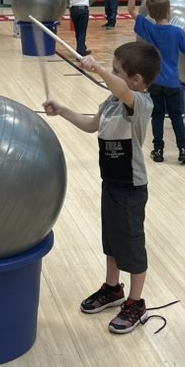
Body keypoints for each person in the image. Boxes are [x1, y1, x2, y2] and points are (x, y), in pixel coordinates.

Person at [43, 42, 161, 334]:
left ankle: (136, 302)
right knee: (112, 241)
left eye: (116, 71)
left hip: (131, 188)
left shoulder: (140, 103)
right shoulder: (109, 102)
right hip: (110, 182)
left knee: (131, 246)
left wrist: (96, 69)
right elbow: (90, 124)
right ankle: (112, 289)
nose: (110, 74)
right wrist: (63, 110)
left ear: (135, 80)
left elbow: (123, 92)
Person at [127, 0, 185, 164]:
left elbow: (131, 10)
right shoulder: (177, 32)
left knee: (158, 116)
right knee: (177, 116)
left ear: (151, 14)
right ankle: (183, 150)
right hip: (172, 83)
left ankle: (158, 150)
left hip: (154, 82)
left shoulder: (149, 29)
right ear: (169, 11)